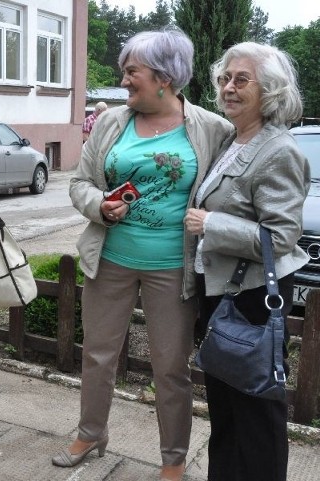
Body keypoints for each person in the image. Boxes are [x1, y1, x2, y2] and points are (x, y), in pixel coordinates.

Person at [51, 28, 233, 481]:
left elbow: (230, 192)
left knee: (170, 368)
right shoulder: (112, 121)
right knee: (97, 354)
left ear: (165, 77)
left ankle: (173, 459)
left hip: (173, 269)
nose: (124, 79)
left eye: (132, 71)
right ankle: (91, 433)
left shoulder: (213, 129)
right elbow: (79, 183)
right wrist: (100, 206)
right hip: (110, 258)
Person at [184, 42, 310, 481]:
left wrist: (213, 224)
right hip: (220, 290)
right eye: (224, 79)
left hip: (254, 295)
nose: (228, 88)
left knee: (255, 407)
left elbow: (281, 236)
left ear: (269, 90)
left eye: (242, 79)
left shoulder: (280, 150)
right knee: (224, 403)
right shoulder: (232, 140)